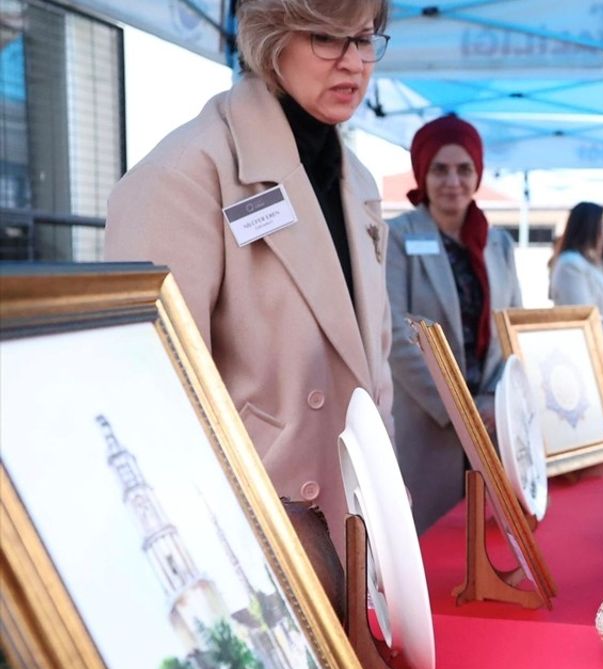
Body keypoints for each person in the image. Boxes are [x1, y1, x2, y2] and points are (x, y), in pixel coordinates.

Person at [105, 0, 394, 557]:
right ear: (272, 37)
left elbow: (374, 366)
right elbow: (153, 403)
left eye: (363, 39)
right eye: (327, 38)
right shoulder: (181, 176)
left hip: (360, 528)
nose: (354, 63)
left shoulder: (357, 180)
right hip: (256, 542)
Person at [384, 115, 522, 531]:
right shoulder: (397, 237)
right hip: (430, 424)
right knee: (437, 547)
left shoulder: (498, 243)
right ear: (422, 174)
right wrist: (458, 409)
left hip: (491, 424)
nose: (453, 181)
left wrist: (496, 400)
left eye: (464, 169)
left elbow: (512, 331)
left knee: (489, 542)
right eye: (440, 169)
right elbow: (391, 330)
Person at [549, 202, 603, 326]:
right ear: (591, 228)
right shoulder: (570, 265)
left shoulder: (592, 264)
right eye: (602, 226)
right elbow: (581, 316)